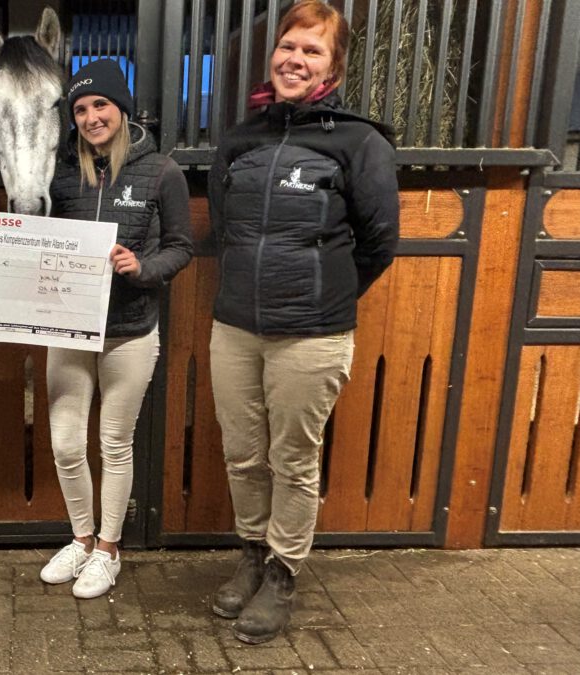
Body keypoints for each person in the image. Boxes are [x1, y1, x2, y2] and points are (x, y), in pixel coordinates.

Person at [207, 0, 399, 644]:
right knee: (242, 455)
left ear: (333, 67)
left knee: (293, 458)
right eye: (289, 46)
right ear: (274, 55)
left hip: (312, 334)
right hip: (234, 328)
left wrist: (325, 296)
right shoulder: (241, 138)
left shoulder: (358, 141)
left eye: (312, 50)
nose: (296, 59)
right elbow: (226, 228)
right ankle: (252, 555)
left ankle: (284, 572)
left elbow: (377, 241)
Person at [41, 59, 193, 599]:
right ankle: (81, 538)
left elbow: (182, 245)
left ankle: (109, 549)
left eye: (100, 105)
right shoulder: (60, 175)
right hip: (69, 328)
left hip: (130, 328)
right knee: (64, 443)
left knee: (114, 441)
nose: (90, 117)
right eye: (80, 110)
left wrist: (143, 269)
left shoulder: (161, 171)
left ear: (121, 109)